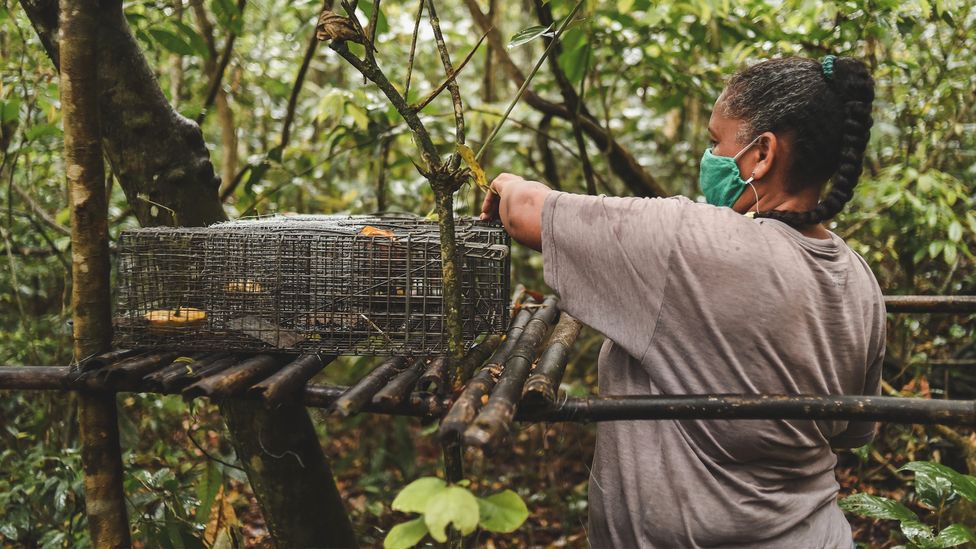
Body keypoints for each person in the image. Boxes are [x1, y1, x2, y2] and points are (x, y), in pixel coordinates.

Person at [479, 56, 884, 548]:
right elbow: (854, 430)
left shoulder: (692, 241)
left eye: (716, 141)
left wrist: (505, 184)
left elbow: (524, 214)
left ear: (763, 154)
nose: (709, 155)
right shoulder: (859, 277)